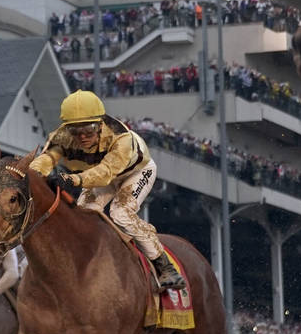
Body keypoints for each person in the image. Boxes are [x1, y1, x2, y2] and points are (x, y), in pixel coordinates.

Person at [29, 90, 186, 291]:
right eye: (76, 132)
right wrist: (30, 175)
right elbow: (46, 158)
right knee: (83, 212)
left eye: (89, 129)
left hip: (135, 171)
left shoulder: (121, 137)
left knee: (120, 213)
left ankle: (164, 266)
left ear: (100, 123)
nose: (83, 136)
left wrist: (74, 179)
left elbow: (105, 173)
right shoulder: (61, 136)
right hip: (100, 174)